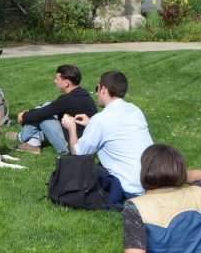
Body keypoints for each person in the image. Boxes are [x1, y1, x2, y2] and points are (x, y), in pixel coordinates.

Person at [61, 71, 153, 207]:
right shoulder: (134, 110)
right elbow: (117, 129)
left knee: (83, 169)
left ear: (104, 89)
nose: (97, 92)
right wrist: (91, 123)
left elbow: (78, 155)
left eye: (97, 88)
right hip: (151, 181)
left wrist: (72, 128)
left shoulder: (101, 120)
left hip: (131, 188)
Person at [6, 65, 98, 155]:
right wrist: (29, 113)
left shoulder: (68, 99)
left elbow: (39, 114)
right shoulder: (81, 93)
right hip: (84, 143)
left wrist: (23, 116)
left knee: (42, 116)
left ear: (66, 83)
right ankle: (33, 142)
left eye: (57, 79)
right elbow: (50, 107)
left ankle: (21, 138)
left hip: (72, 147)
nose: (55, 81)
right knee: (45, 107)